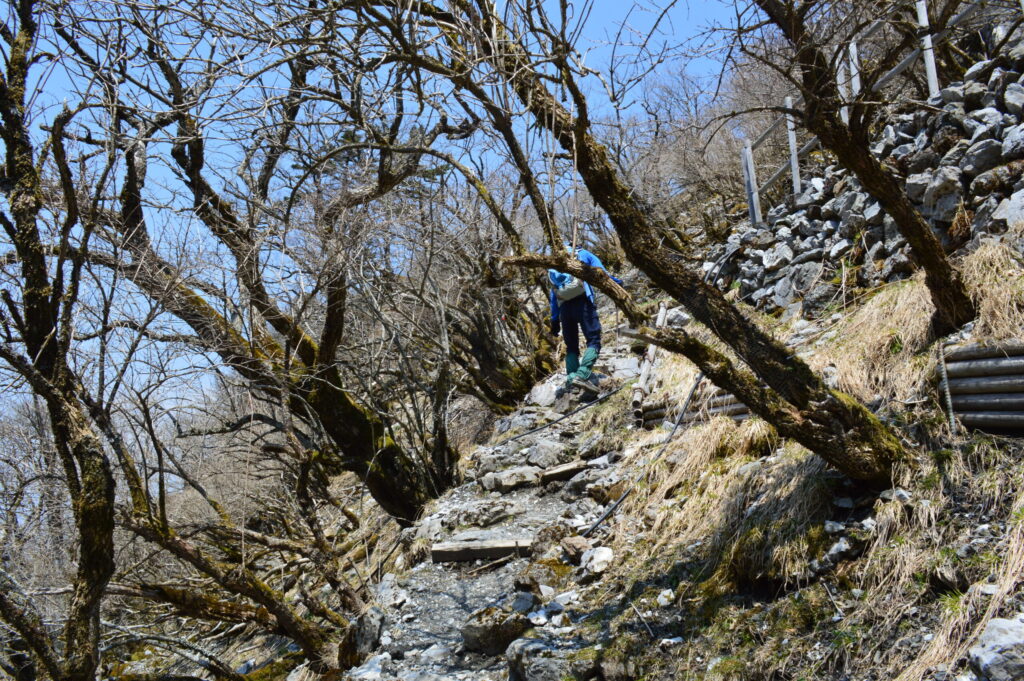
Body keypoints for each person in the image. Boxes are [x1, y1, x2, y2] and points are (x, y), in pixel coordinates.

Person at [548, 245, 622, 394]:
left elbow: (553, 294)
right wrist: (617, 283)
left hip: (564, 308)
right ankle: (582, 375)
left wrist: (554, 320)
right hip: (583, 303)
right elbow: (601, 272)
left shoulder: (553, 263)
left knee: (571, 346)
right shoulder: (582, 254)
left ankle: (571, 381)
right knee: (594, 340)